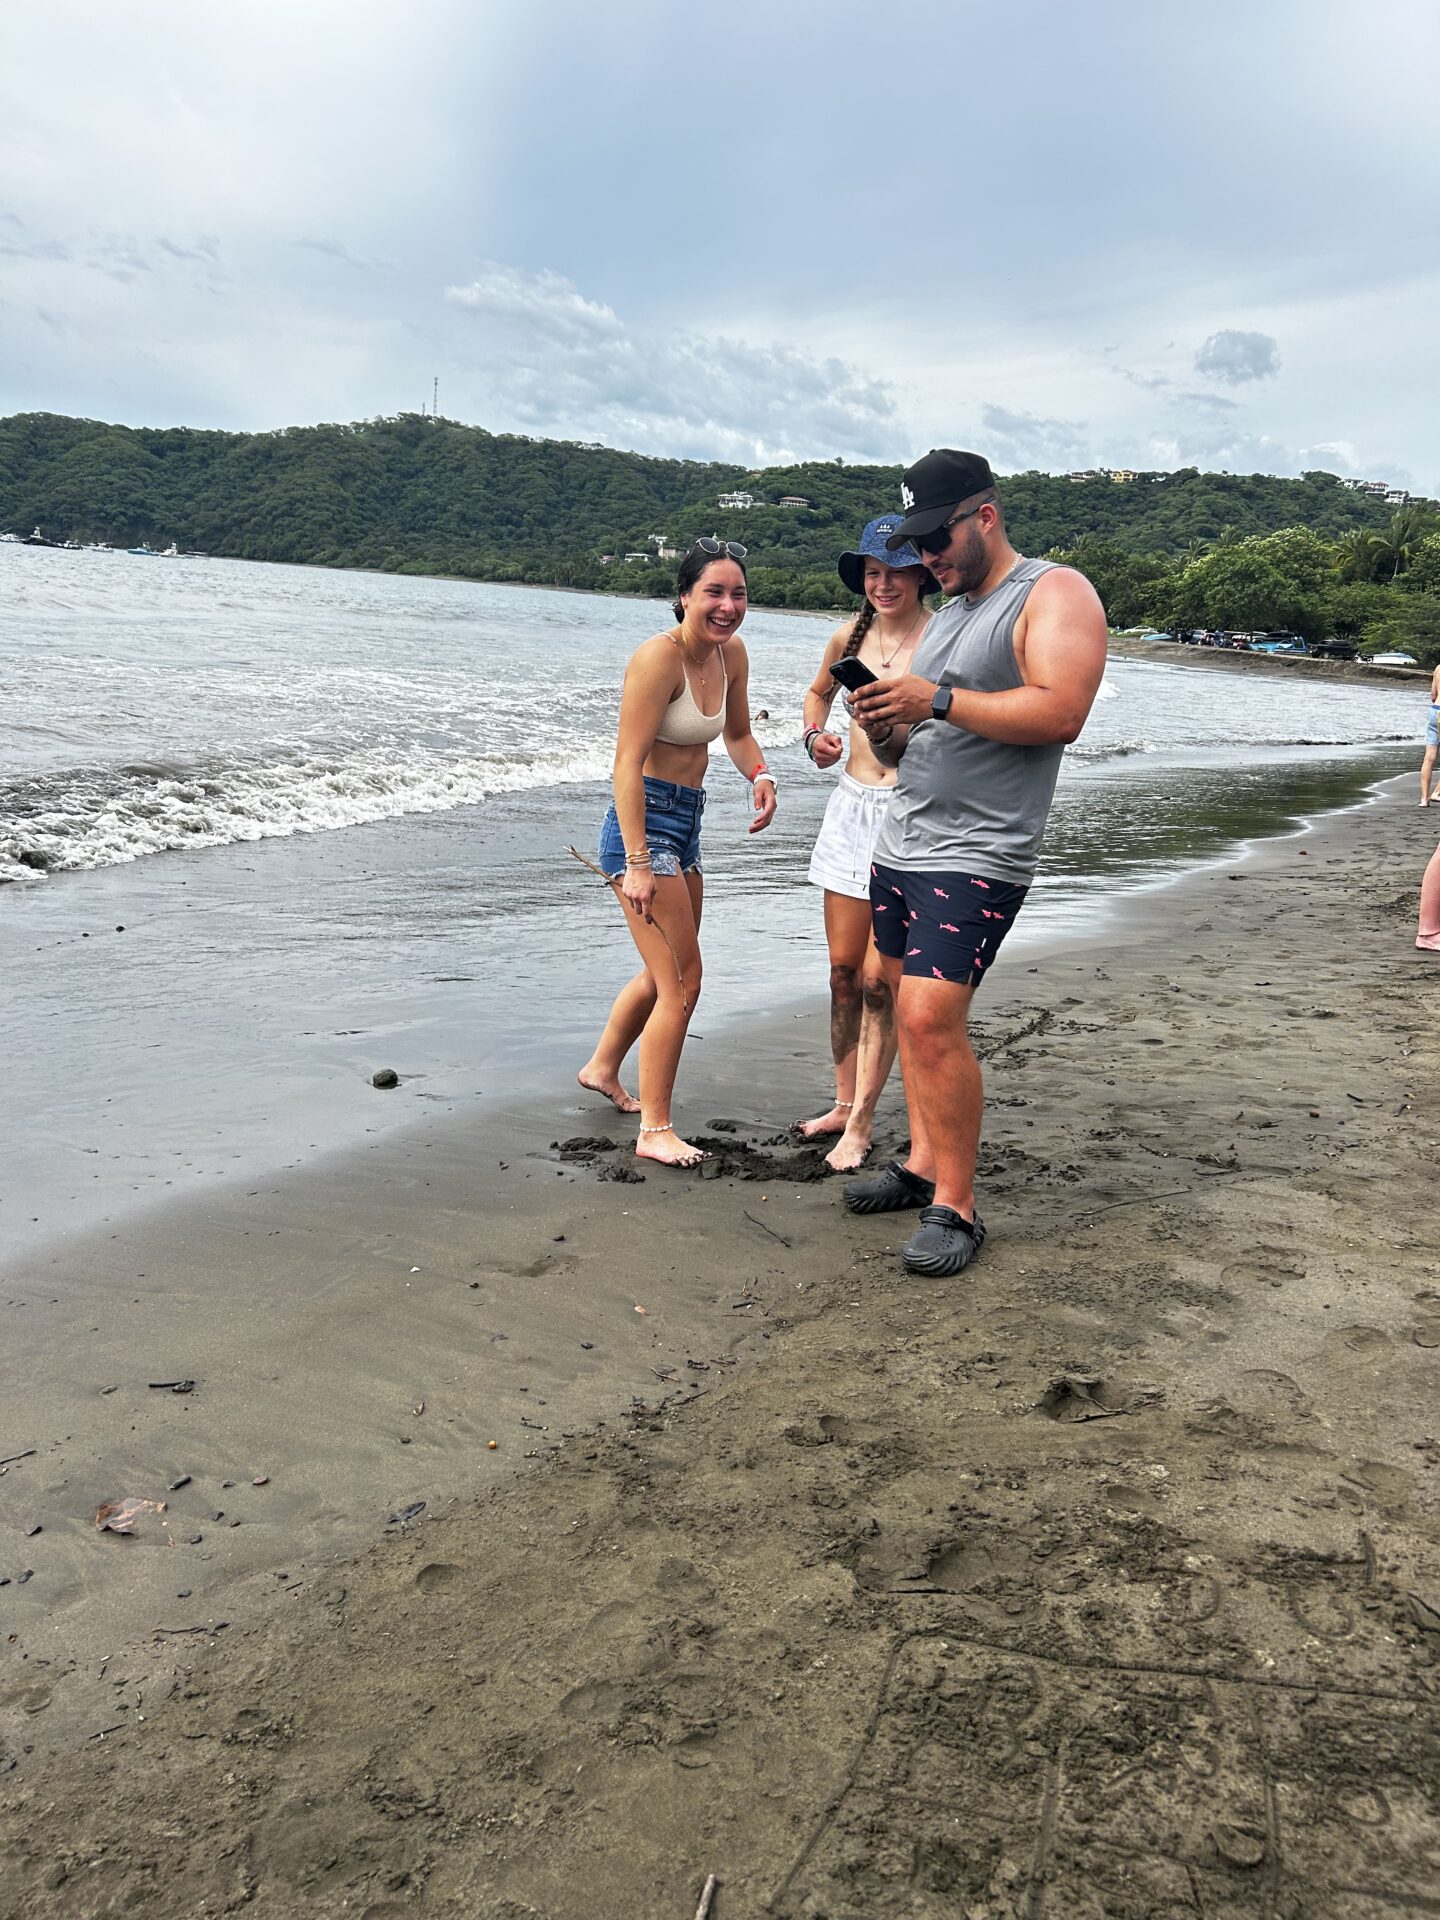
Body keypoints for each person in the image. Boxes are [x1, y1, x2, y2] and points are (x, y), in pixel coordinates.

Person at [843, 449, 1108, 1275]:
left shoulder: (1054, 592)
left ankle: (955, 1205)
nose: (926, 558)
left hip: (981, 851)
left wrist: (935, 698)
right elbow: (921, 736)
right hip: (903, 840)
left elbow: (1061, 712)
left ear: (984, 516)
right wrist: (886, 723)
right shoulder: (951, 614)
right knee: (899, 1003)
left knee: (929, 1018)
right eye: (916, 544)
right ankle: (923, 1160)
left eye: (936, 539)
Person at [578, 539, 777, 1167]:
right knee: (683, 979)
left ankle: (602, 1067)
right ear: (685, 596)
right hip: (644, 827)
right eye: (714, 592)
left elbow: (738, 734)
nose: (727, 606)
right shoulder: (657, 659)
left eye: (738, 594)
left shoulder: (730, 653)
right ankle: (655, 1129)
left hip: (687, 822)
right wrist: (637, 862)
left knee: (666, 968)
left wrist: (761, 775)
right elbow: (626, 765)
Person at [793, 517, 937, 1170]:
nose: (883, 584)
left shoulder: (941, 639)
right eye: (872, 572)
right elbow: (816, 693)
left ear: (920, 575)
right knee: (844, 975)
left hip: (909, 815)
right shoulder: (847, 636)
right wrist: (814, 737)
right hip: (850, 810)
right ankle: (842, 1102)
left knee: (883, 982)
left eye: (895, 571)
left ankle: (862, 1124)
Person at [1419, 662, 1440, 806]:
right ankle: (1437, 792)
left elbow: (1433, 695)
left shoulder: (1438, 668)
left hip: (1435, 710)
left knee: (1429, 757)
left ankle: (1424, 799)